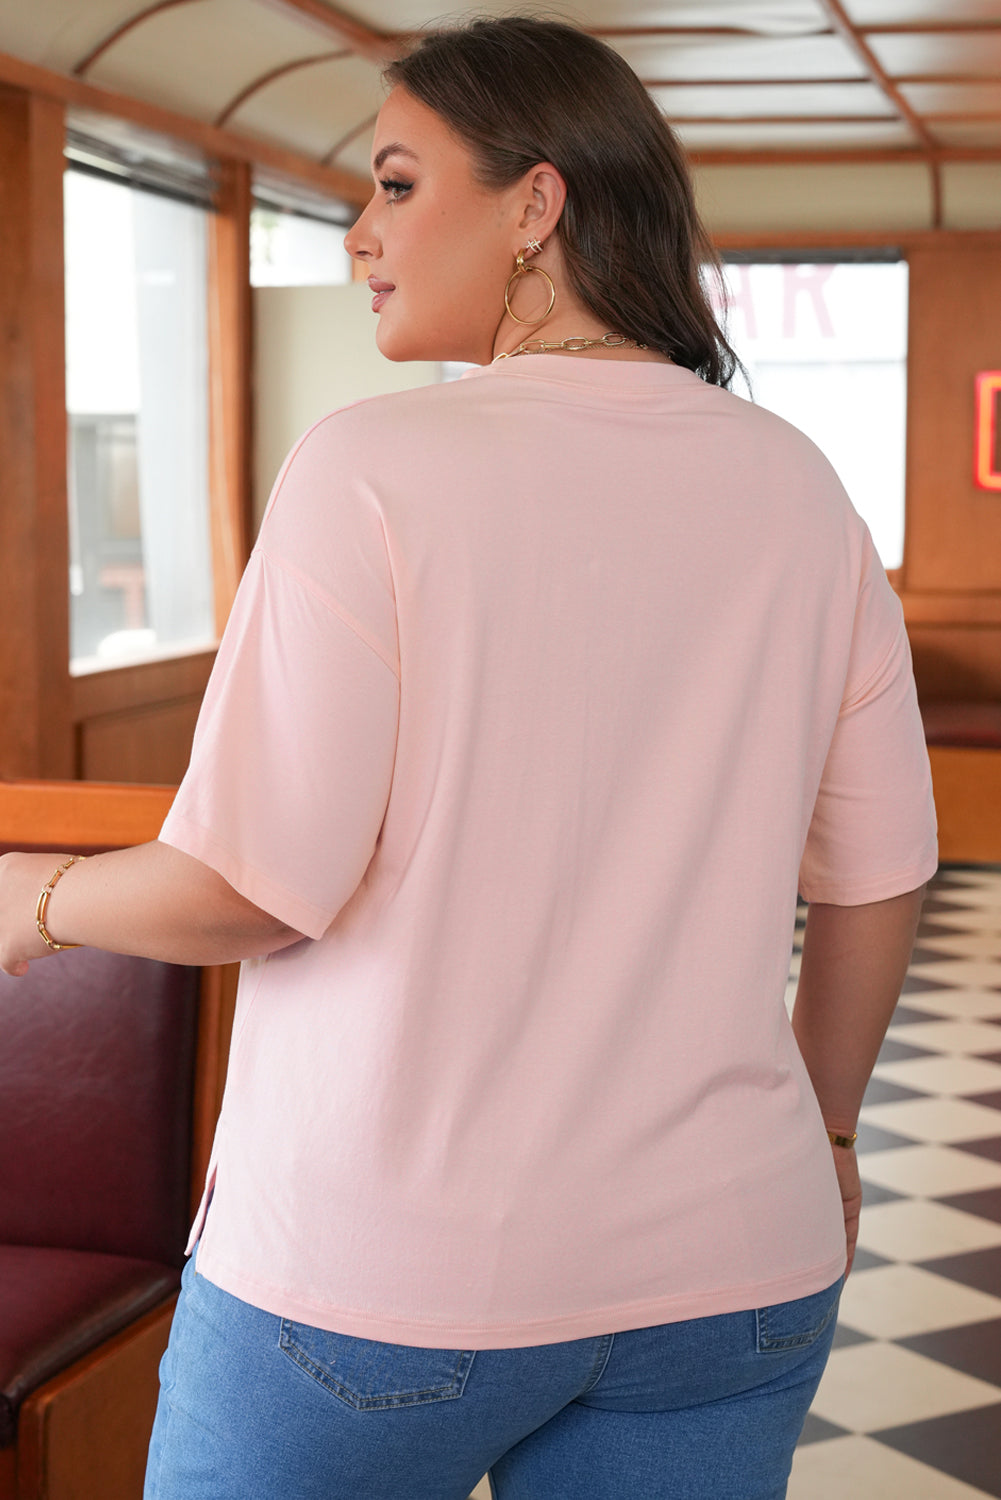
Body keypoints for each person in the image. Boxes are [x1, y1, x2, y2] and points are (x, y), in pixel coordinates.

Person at [0, 16, 937, 1500]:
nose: (360, 233)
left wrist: (33, 902)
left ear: (533, 206)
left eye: (391, 184)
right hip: (729, 1267)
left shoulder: (374, 469)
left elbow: (252, 887)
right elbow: (880, 877)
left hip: (373, 1284)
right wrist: (822, 1125)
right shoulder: (798, 491)